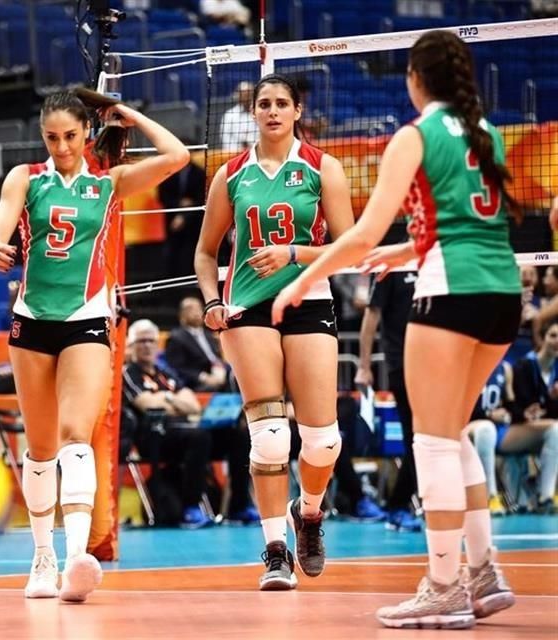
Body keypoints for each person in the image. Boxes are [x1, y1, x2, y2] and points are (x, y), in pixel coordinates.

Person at [272, 31, 519, 628]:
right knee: (454, 434)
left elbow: (358, 235)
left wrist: (301, 281)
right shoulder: (487, 134)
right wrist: (408, 249)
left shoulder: (415, 135)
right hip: (502, 294)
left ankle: (443, 585)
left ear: (415, 78)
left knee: (433, 441)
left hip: (451, 294)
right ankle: (483, 572)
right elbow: (471, 224)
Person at [0, 89, 189, 603]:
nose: (61, 146)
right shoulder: (25, 179)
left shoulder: (108, 183)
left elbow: (178, 156)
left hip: (87, 318)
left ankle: (76, 558)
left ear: (87, 133)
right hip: (31, 321)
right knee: (41, 448)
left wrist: (127, 116)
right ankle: (42, 558)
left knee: (79, 435)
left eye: (70, 136)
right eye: (51, 137)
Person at [195, 73, 355, 591]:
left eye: (281, 103)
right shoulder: (231, 174)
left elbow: (350, 246)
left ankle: (307, 514)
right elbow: (204, 251)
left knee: (323, 442)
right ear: (254, 111)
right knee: (268, 435)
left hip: (309, 302)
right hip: (247, 308)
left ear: (297, 111)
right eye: (263, 103)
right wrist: (213, 300)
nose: (271, 111)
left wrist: (293, 254)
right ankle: (274, 551)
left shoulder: (321, 168)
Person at [122, 319, 215, 529]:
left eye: (151, 341)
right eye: (141, 341)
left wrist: (166, 399)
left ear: (157, 345)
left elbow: (193, 406)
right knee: (199, 437)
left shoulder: (166, 373)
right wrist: (173, 399)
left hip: (181, 431)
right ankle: (191, 508)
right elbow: (148, 405)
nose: (146, 345)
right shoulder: (129, 373)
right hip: (151, 437)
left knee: (233, 435)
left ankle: (238, 507)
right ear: (131, 346)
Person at [355, 266, 424, 533]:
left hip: (435, 363)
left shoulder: (434, 257)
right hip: (402, 363)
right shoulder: (391, 266)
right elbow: (372, 315)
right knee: (416, 438)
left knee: (430, 437)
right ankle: (398, 506)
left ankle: (404, 503)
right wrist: (363, 365)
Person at [509, 318, 558, 513]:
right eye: (553, 336)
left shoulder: (556, 370)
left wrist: (554, 400)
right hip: (518, 428)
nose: (557, 341)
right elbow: (519, 409)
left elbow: (551, 410)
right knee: (556, 430)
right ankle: (545, 495)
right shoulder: (524, 366)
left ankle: (545, 494)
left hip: (543, 430)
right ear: (542, 339)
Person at [465, 358, 513, 516]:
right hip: (467, 426)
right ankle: (489, 496)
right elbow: (462, 408)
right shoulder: (466, 364)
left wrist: (511, 413)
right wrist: (489, 414)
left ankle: (546, 497)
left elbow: (511, 404)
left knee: (554, 430)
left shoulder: (505, 368)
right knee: (486, 428)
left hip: (499, 429)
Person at [158, 147, 207, 278]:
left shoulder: (199, 173)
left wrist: (184, 217)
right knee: (171, 254)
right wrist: (179, 204)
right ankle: (171, 283)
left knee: (192, 253)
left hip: (194, 223)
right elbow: (162, 197)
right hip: (171, 220)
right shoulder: (167, 172)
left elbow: (202, 199)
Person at [164, 296, 229, 392]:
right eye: (190, 309)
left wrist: (222, 369)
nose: (196, 312)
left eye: (199, 308)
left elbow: (217, 358)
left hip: (220, 373)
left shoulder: (209, 335)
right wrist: (203, 377)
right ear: (182, 314)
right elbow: (177, 368)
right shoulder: (176, 338)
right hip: (196, 382)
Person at [219, 81, 256, 151]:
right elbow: (225, 138)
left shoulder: (260, 113)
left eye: (249, 94)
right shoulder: (229, 115)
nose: (247, 97)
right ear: (238, 96)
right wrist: (238, 151)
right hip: (234, 154)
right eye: (244, 94)